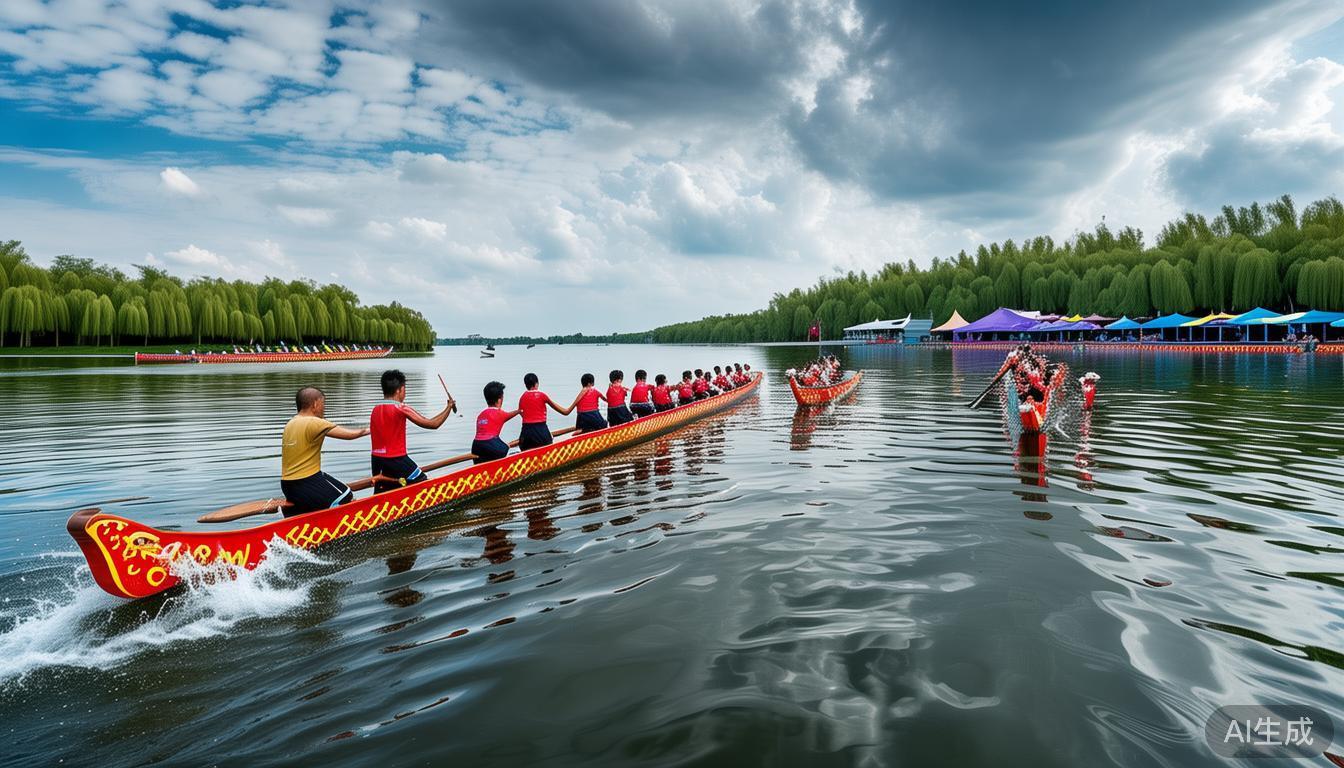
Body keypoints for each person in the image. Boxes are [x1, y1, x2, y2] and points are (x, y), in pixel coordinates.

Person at [281, 386, 370, 516]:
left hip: (288, 485)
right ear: (315, 404)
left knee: (326, 491)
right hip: (306, 481)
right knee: (345, 495)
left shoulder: (290, 423)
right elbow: (351, 434)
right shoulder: (314, 422)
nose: (324, 408)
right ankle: (340, 526)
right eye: (323, 403)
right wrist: (373, 428)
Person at [370, 370, 454, 493]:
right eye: (405, 389)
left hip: (376, 460)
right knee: (423, 483)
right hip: (396, 459)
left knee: (384, 492)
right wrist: (449, 407)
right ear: (400, 389)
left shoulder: (375, 409)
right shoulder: (401, 408)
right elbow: (433, 424)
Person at [518, 373, 571, 451]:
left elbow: (521, 413)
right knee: (548, 442)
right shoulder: (542, 395)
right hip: (541, 432)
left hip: (525, 434)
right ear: (536, 384)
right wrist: (571, 408)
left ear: (526, 385)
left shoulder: (522, 397)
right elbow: (564, 412)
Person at [473, 381, 519, 464]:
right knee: (507, 448)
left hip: (476, 446)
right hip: (491, 444)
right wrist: (519, 411)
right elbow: (509, 414)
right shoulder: (499, 413)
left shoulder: (481, 415)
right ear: (500, 399)